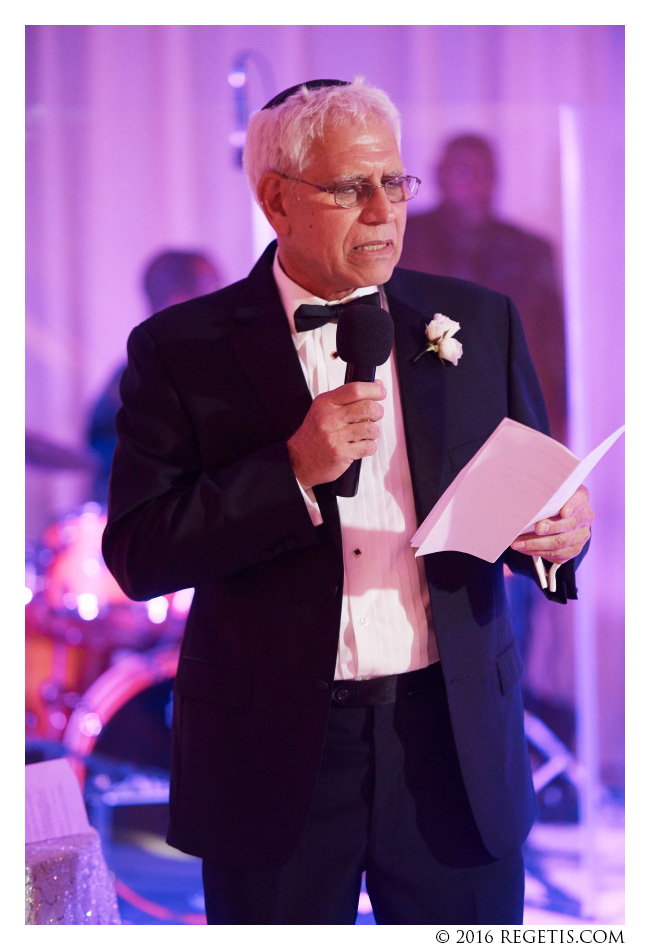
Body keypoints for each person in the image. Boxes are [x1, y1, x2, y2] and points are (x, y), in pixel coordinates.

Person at [102, 79, 593, 925]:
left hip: (455, 746)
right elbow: (141, 553)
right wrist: (291, 471)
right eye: (349, 187)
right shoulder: (180, 350)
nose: (382, 211)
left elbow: (531, 503)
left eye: (394, 183)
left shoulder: (480, 321)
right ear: (276, 201)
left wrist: (561, 534)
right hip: (275, 755)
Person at [400, 133, 567, 445]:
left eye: (488, 175)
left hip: (511, 416)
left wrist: (554, 429)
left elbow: (554, 351)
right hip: (420, 414)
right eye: (466, 173)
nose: (479, 187)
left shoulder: (530, 252)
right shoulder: (404, 241)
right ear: (440, 175)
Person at [86, 249, 222, 504]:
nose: (225, 300)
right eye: (215, 289)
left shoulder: (133, 373)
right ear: (180, 302)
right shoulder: (142, 378)